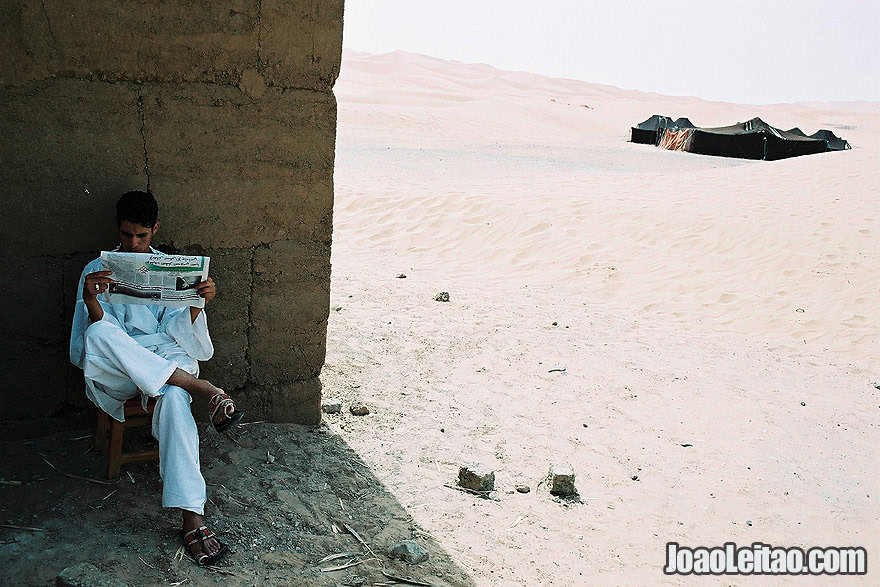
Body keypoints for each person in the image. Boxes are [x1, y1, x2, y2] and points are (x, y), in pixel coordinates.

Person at [69, 190, 242, 566]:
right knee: (99, 334)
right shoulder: (95, 269)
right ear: (118, 230)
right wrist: (92, 298)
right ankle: (202, 388)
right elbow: (91, 343)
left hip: (163, 361)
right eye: (128, 235)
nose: (133, 244)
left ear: (155, 230)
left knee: (173, 397)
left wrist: (198, 305)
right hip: (119, 368)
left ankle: (191, 516)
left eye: (142, 236)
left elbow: (178, 333)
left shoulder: (169, 266)